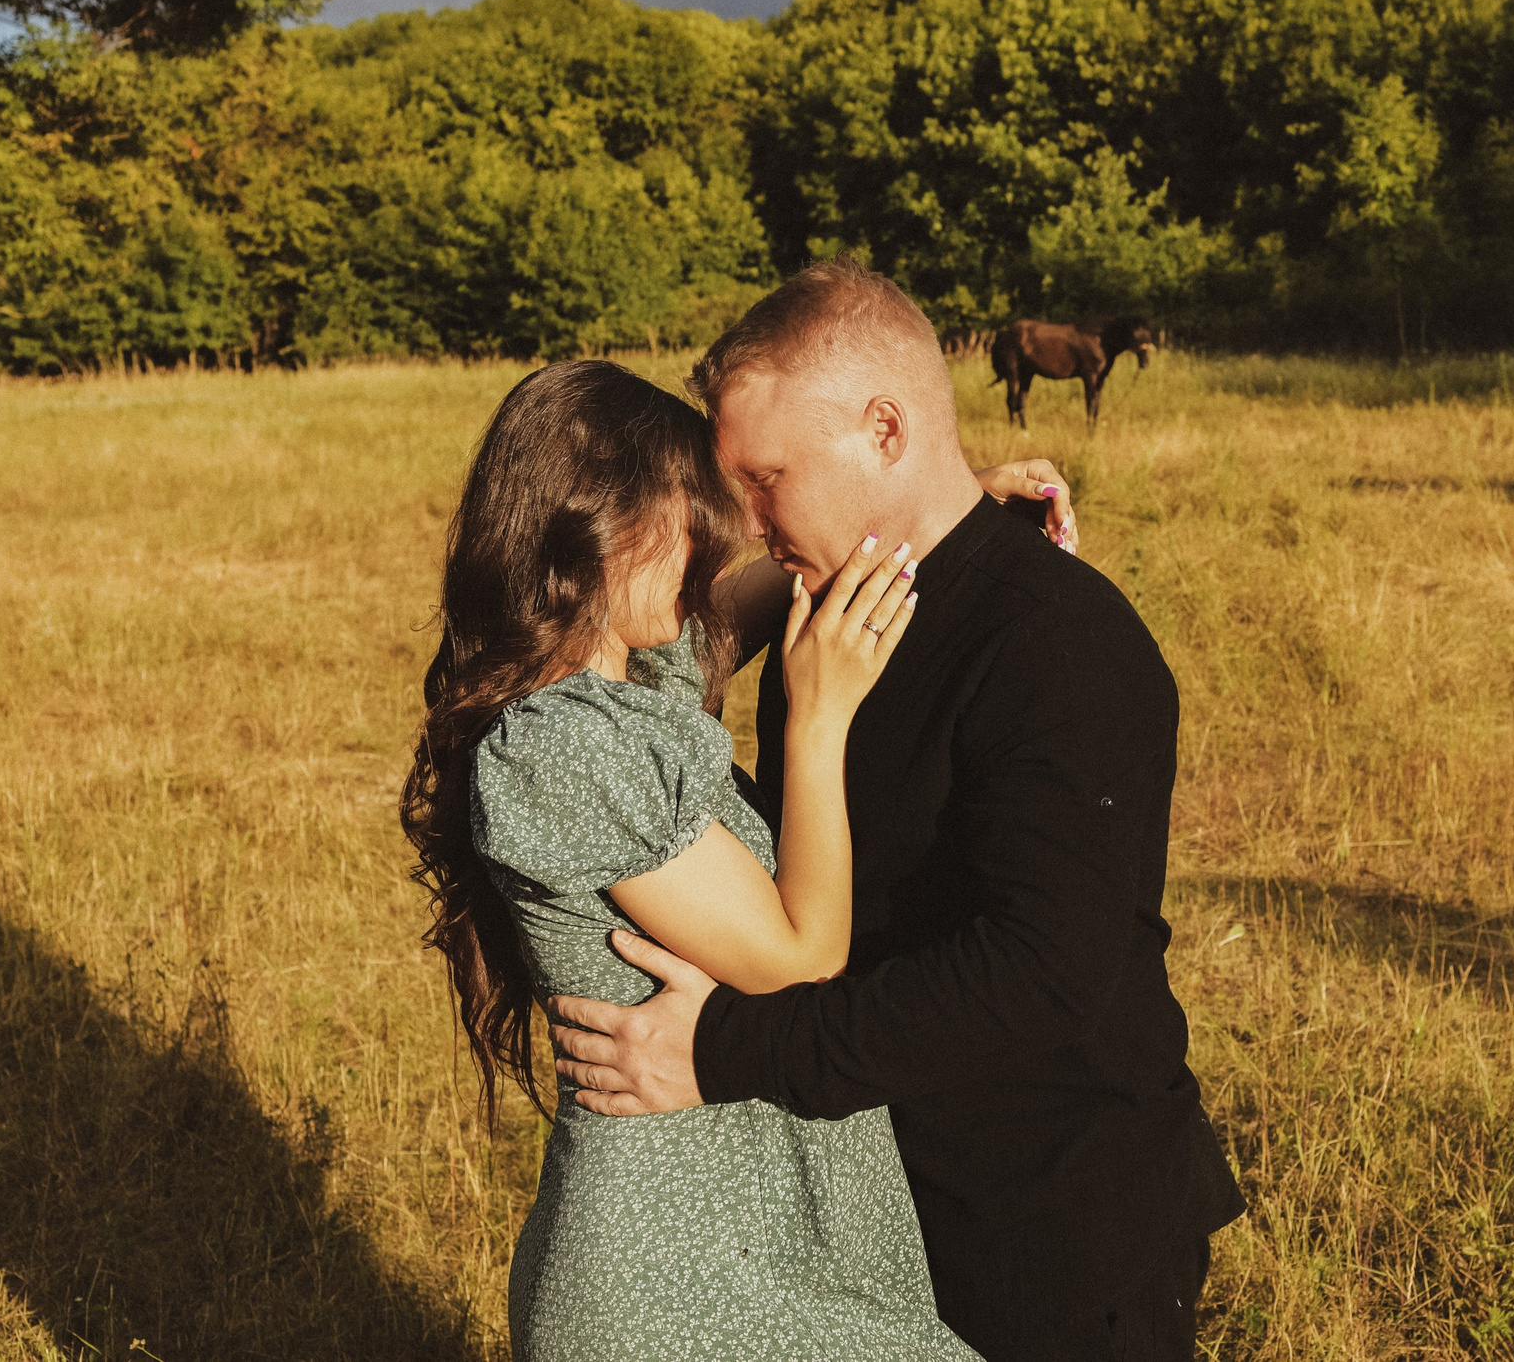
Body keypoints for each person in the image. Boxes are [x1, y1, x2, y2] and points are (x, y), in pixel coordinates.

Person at [550, 264, 1245, 1362]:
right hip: (889, 1203)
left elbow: (1043, 974)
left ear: (885, 429)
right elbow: (633, 664)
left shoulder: (1057, 644)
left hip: (1053, 1229)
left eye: (767, 478)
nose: (745, 519)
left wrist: (724, 1053)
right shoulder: (824, 616)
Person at [399, 356, 1074, 1361]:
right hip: (676, 1276)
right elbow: (802, 957)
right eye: (692, 517)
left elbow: (736, 615)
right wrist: (820, 722)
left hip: (736, 1240)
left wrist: (942, 508)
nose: (723, 539)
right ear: (602, 521)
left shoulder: (622, 695)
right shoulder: (562, 744)